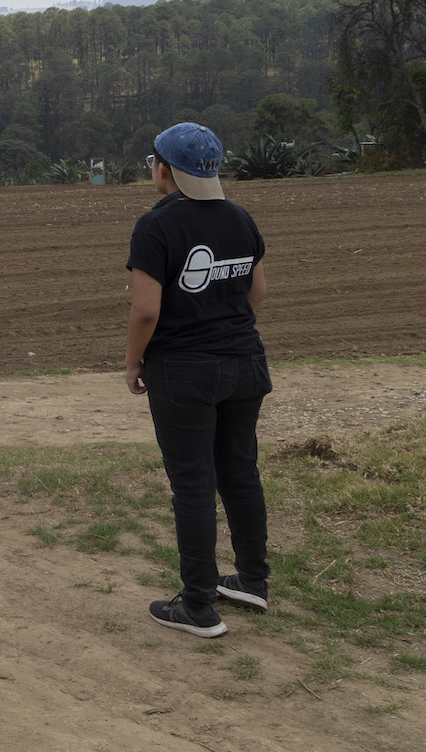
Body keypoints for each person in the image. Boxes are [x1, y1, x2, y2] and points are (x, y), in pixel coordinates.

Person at [125, 122, 271, 639]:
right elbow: (257, 292)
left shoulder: (155, 225)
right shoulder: (239, 216)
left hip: (185, 370)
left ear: (163, 169)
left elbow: (146, 310)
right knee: (240, 472)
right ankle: (252, 580)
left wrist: (133, 363)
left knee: (192, 483)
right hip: (246, 362)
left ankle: (199, 606)